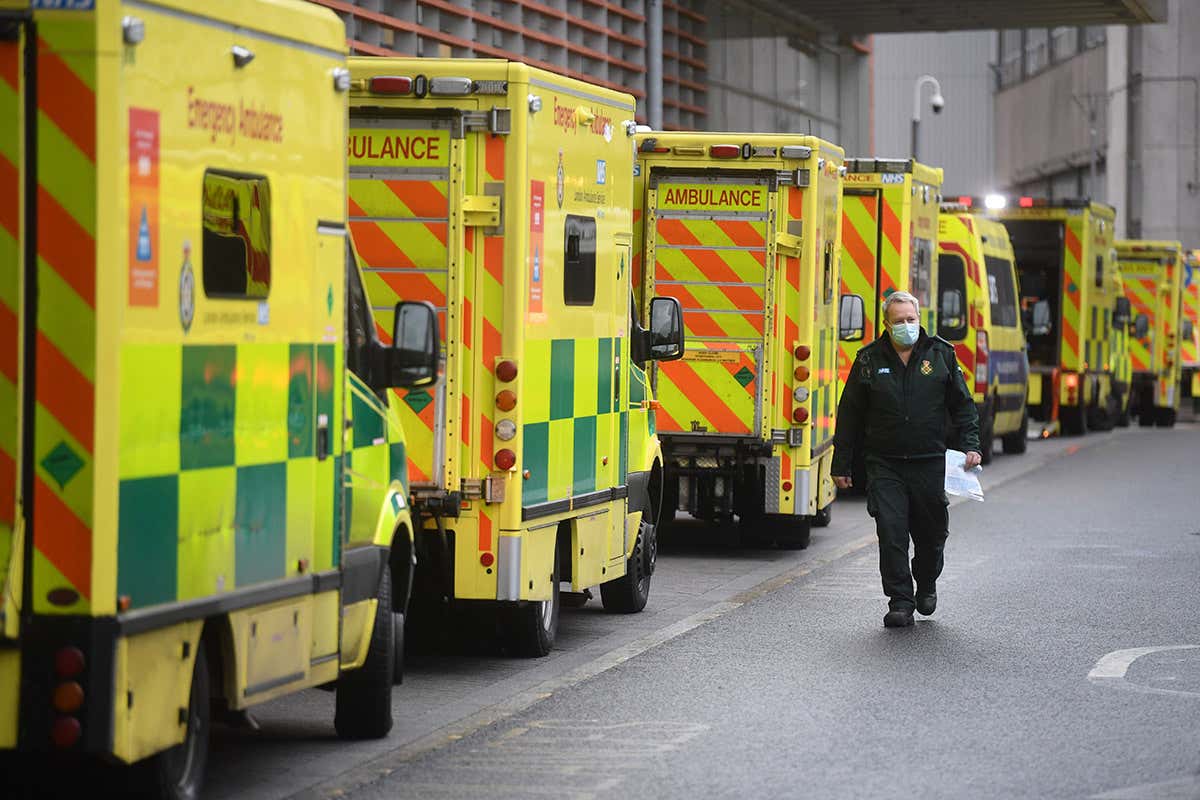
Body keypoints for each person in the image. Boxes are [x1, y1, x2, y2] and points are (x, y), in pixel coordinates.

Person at [832, 291, 981, 628]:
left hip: (929, 461)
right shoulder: (869, 359)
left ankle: (926, 582)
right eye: (898, 321)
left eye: (910, 320)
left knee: (933, 534)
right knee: (891, 531)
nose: (906, 326)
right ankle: (900, 600)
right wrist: (841, 463)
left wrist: (971, 445)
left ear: (919, 319)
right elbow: (850, 414)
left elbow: (963, 406)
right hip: (884, 462)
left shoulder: (941, 354)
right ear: (887, 324)